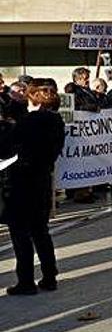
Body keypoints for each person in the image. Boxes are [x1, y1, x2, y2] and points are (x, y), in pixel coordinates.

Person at [2, 82, 65, 295]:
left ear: (35, 101)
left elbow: (6, 146)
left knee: (20, 232)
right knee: (40, 231)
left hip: (22, 180)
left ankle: (26, 280)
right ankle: (49, 276)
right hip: (42, 179)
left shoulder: (27, 122)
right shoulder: (57, 121)